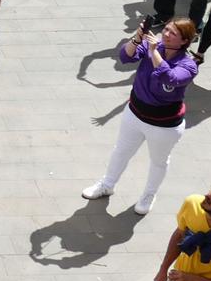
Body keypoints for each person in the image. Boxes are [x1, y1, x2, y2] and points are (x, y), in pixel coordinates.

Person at [82, 18, 200, 216]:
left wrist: (154, 52)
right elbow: (125, 57)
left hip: (164, 125)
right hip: (135, 113)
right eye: (167, 29)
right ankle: (107, 184)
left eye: (173, 33)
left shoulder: (188, 65)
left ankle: (149, 194)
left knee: (158, 161)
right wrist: (137, 39)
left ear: (184, 41)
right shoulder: (152, 45)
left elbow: (169, 77)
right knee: (121, 150)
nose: (166, 34)